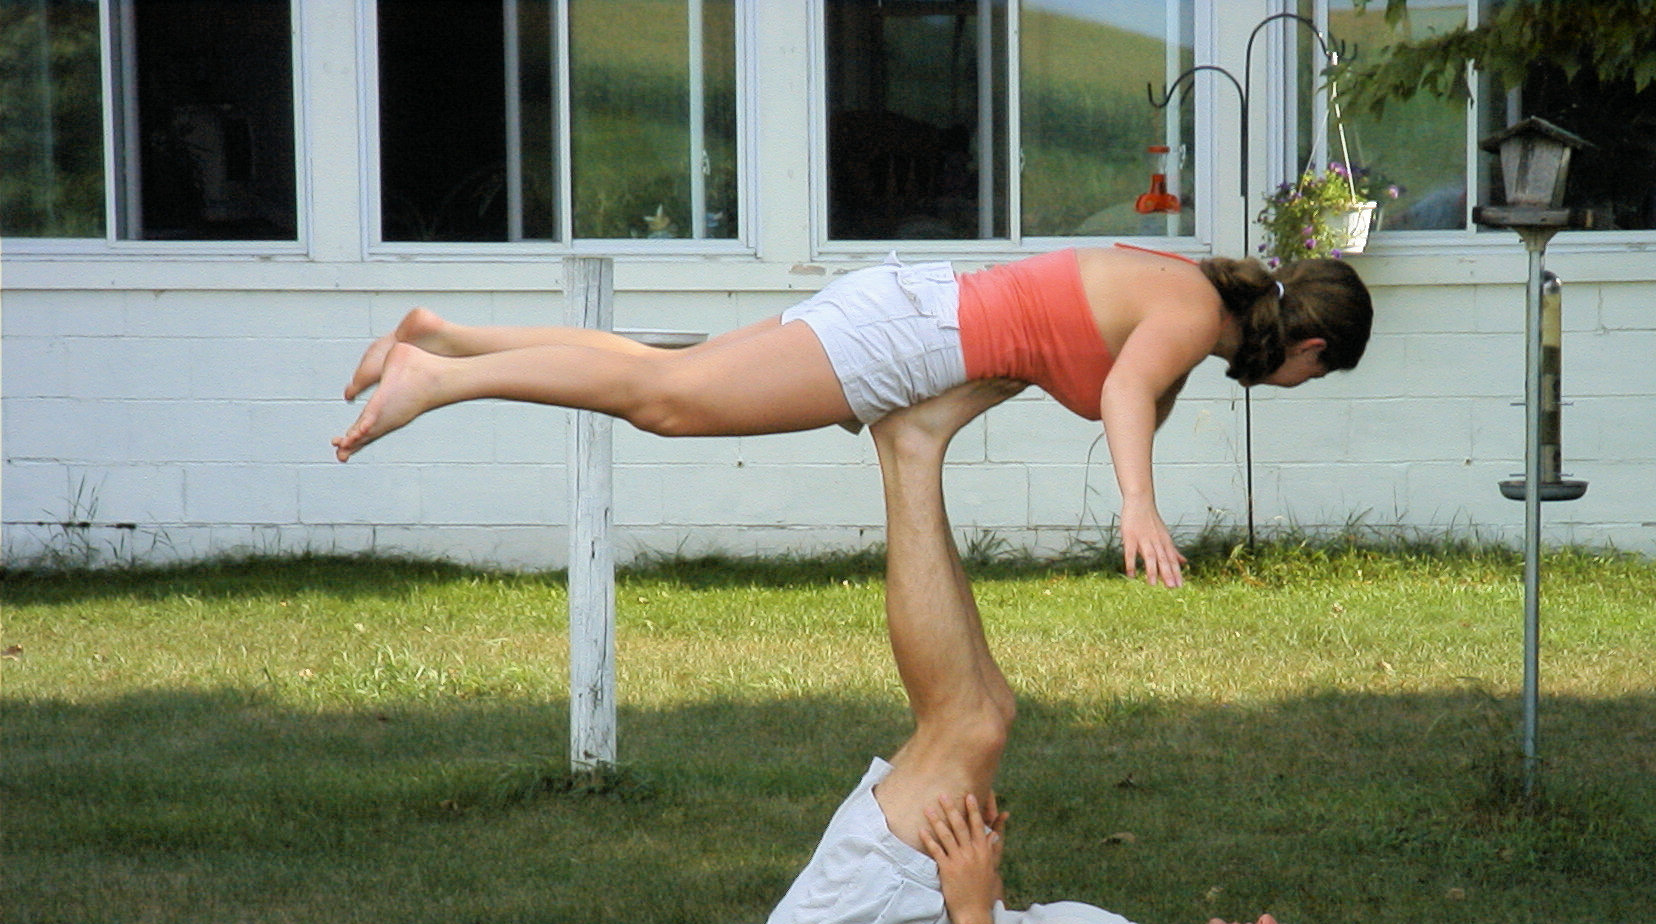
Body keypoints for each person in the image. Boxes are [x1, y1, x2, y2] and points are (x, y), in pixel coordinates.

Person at [754, 379, 1344, 924]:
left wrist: (972, 908)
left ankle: (911, 446)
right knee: (988, 709)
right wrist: (982, 874)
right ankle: (911, 447)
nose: (1273, 922)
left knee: (969, 724)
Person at [333, 248, 1373, 588]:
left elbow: (1035, 355)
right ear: (1312, 351)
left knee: (669, 379)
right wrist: (1138, 507)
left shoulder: (1180, 288)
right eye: (1315, 380)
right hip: (909, 334)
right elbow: (1118, 393)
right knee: (670, 403)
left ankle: (446, 339)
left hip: (912, 320)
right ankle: (440, 379)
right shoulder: (1190, 313)